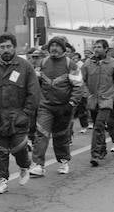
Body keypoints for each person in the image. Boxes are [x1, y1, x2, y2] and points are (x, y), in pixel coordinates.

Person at [0, 33, 38, 193]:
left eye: (9, 46)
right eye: (2, 47)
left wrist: (26, 113)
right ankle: (1, 180)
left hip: (19, 117)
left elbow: (34, 93)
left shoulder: (25, 67)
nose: (5, 50)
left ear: (14, 47)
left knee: (19, 148)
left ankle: (24, 166)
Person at [30, 36, 84, 177]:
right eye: (51, 45)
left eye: (57, 46)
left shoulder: (70, 64)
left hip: (64, 108)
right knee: (41, 134)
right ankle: (38, 165)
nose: (54, 48)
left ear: (63, 48)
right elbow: (35, 83)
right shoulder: (42, 62)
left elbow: (78, 86)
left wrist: (71, 104)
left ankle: (63, 161)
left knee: (61, 136)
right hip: (45, 106)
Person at [81, 39, 114, 166]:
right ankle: (102, 150)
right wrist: (85, 94)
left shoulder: (113, 64)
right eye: (95, 47)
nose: (96, 49)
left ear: (106, 49)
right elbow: (81, 80)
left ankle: (95, 155)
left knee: (99, 126)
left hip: (107, 100)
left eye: (99, 47)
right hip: (92, 100)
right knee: (97, 126)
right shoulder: (88, 63)